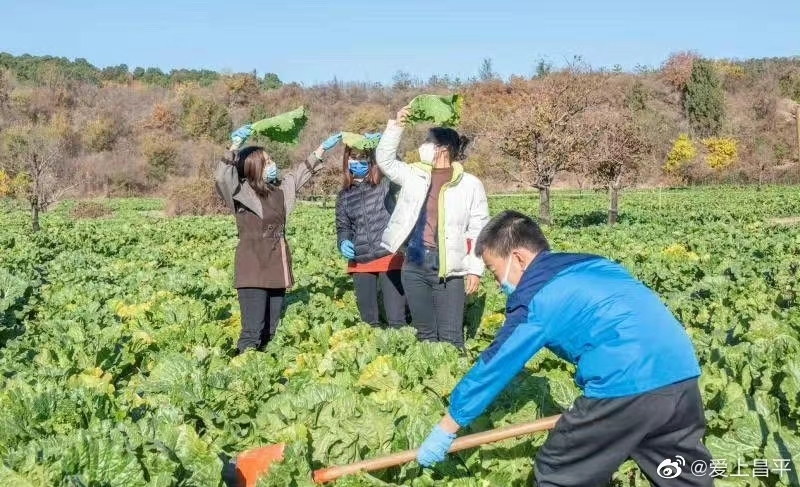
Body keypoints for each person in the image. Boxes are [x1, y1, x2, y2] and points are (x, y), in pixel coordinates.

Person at [415, 210, 713, 487]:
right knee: (679, 473)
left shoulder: (539, 296)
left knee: (558, 472)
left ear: (518, 258)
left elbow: (496, 364)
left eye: (495, 272)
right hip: (682, 374)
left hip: (626, 382)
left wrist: (447, 427)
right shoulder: (595, 264)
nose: (499, 284)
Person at [214, 129, 343, 354]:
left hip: (277, 267)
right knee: (252, 332)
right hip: (252, 269)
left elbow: (300, 173)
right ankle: (241, 373)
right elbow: (222, 176)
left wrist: (322, 148)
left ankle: (263, 370)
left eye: (271, 160)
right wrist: (234, 145)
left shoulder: (280, 191)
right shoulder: (240, 193)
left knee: (271, 331)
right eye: (267, 162)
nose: (273, 164)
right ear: (253, 167)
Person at [374, 104, 489, 349]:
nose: (423, 146)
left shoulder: (470, 184)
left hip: (450, 269)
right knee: (425, 334)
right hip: (414, 263)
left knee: (451, 337)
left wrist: (475, 269)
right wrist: (397, 125)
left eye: (428, 141)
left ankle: (454, 384)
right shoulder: (413, 174)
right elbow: (384, 159)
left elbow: (478, 230)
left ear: (443, 149)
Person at [335, 134, 408, 328]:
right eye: (353, 157)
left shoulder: (384, 183)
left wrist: (382, 146)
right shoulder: (344, 195)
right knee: (369, 321)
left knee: (396, 319)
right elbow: (343, 226)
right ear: (346, 160)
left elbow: (398, 169)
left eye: (363, 157)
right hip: (361, 261)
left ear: (371, 160)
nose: (357, 162)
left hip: (388, 256)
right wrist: (343, 241)